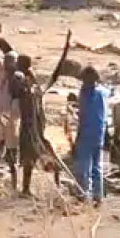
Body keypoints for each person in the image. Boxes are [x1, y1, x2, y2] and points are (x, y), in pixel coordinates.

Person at [14, 31, 71, 197]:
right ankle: (27, 189)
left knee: (36, 157)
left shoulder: (32, 87)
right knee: (30, 160)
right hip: (32, 128)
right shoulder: (28, 85)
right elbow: (54, 75)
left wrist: (66, 49)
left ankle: (52, 186)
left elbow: (55, 75)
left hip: (34, 128)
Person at [0, 23, 20, 187]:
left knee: (10, 148)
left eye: (11, 60)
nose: (7, 62)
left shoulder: (17, 78)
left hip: (10, 117)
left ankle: (14, 178)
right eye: (7, 59)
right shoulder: (1, 71)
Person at [75, 66, 109, 206]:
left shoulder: (85, 94)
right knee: (96, 166)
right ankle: (98, 196)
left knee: (84, 166)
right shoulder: (103, 93)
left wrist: (78, 135)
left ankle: (84, 194)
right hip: (99, 133)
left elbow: (83, 116)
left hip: (87, 133)